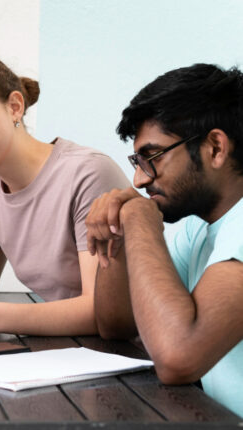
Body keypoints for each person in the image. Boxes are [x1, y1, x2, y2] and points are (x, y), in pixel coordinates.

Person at [0, 51, 129, 338]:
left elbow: (103, 310)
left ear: (14, 107)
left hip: (129, 354)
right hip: (71, 352)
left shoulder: (88, 174)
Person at [86, 63, 243, 417]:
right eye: (137, 161)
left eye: (152, 157)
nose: (139, 180)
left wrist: (142, 220)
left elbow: (177, 358)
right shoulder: (200, 227)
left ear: (216, 147)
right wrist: (123, 224)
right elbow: (115, 325)